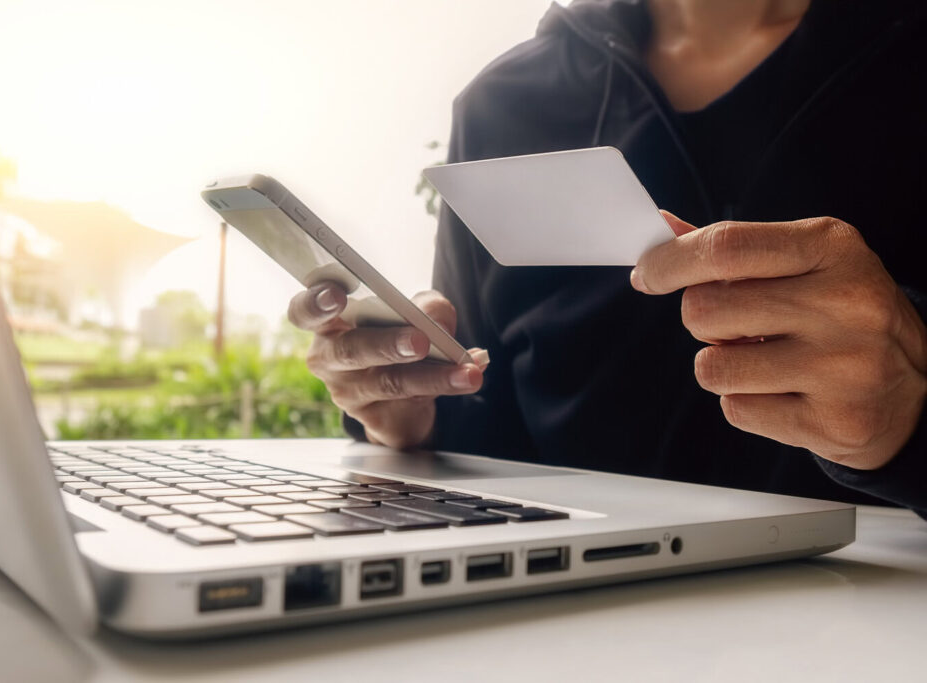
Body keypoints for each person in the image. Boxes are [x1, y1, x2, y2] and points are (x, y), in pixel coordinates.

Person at [288, 0, 927, 519]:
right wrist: (415, 416)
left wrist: (911, 420)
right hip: (560, 617)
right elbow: (489, 415)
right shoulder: (502, 102)